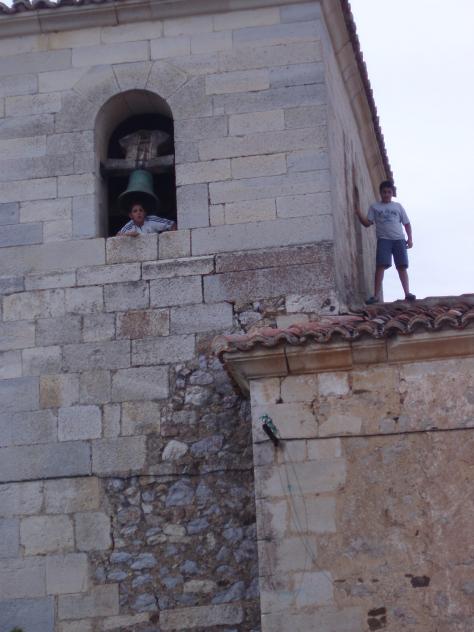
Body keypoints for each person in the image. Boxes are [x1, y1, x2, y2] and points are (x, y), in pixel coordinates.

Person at [355, 180, 415, 304]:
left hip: (399, 239)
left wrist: (410, 239)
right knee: (380, 266)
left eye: (389, 192)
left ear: (392, 193)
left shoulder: (398, 206)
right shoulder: (375, 207)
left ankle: (407, 293)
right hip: (384, 240)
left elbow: (407, 224)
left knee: (402, 266)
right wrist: (358, 213)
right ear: (380, 193)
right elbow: (367, 223)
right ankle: (375, 296)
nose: (386, 194)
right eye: (384, 192)